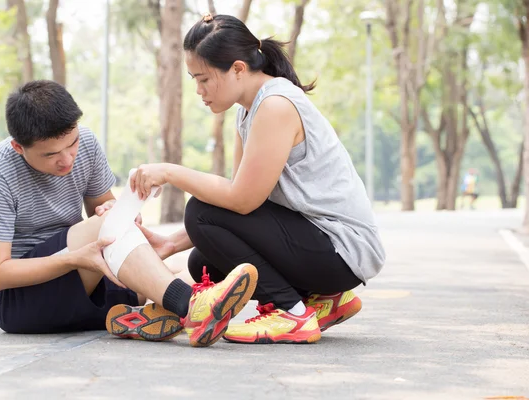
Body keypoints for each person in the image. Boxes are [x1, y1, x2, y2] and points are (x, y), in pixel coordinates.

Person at [126, 13, 386, 344]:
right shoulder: (248, 110)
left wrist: (169, 171)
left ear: (237, 69)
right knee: (204, 260)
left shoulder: (276, 105)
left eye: (204, 79)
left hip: (342, 250)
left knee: (199, 212)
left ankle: (291, 313)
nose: (198, 90)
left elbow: (241, 200)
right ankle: (325, 301)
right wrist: (172, 244)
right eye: (194, 79)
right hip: (322, 247)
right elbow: (236, 204)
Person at [0, 80, 258, 347]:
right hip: (18, 300)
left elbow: (108, 212)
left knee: (182, 270)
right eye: (50, 154)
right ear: (18, 147)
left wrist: (119, 214)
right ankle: (190, 307)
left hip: (81, 279)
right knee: (155, 273)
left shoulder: (87, 144)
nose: (67, 159)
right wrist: (74, 258)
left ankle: (141, 317)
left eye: (72, 144)